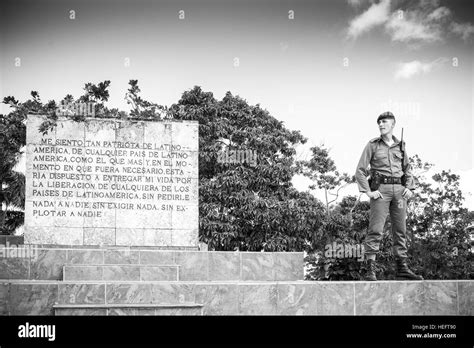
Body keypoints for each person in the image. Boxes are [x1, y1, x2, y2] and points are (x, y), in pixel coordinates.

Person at [355, 111, 423, 281]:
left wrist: (410, 188)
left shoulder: (401, 146)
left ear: (392, 124)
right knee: (376, 230)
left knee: (400, 230)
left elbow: (408, 169)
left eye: (384, 122)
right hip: (381, 191)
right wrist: (368, 191)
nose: (381, 125)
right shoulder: (372, 145)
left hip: (400, 192)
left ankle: (402, 268)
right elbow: (360, 171)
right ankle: (370, 269)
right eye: (379, 122)